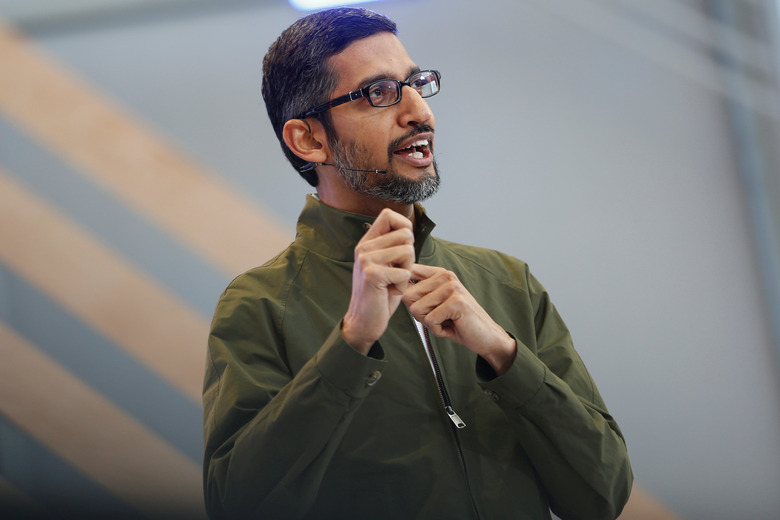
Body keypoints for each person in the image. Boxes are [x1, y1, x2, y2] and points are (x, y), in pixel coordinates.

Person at [202, 7, 633, 520]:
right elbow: (238, 504)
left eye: (416, 84)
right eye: (379, 93)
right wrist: (352, 342)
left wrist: (502, 354)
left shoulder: (508, 283)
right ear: (309, 139)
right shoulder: (260, 304)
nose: (419, 113)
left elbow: (602, 495)